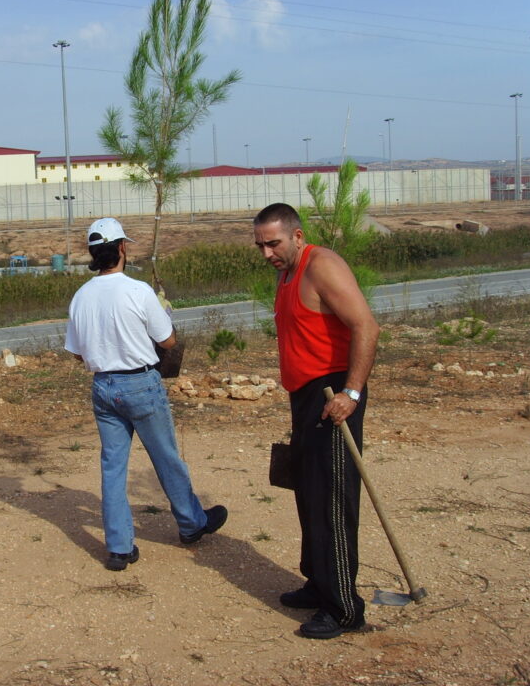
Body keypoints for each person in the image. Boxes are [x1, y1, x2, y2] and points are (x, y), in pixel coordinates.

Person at [65, 217, 227, 571]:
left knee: (112, 466)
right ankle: (191, 524)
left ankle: (120, 548)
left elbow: (77, 352)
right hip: (140, 383)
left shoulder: (81, 297)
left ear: (94, 252)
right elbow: (168, 341)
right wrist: (162, 314)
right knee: (167, 458)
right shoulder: (138, 291)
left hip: (103, 387)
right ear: (122, 247)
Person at [253, 202, 380, 640]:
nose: (268, 252)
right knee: (308, 492)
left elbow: (366, 326)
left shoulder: (321, 265)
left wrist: (352, 393)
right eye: (261, 245)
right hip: (305, 395)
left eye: (274, 243)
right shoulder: (286, 272)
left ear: (297, 236)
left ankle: (344, 608)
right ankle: (319, 583)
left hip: (333, 396)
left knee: (332, 500)